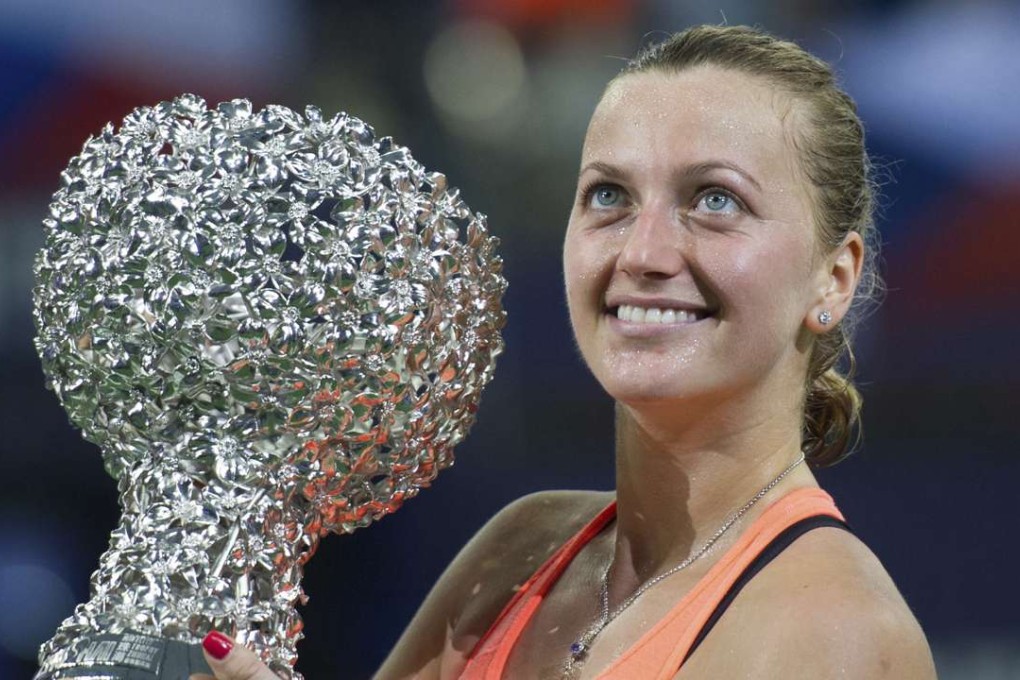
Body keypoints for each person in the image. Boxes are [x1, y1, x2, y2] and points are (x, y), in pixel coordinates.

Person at [192, 24, 936, 680]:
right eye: (609, 196)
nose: (643, 252)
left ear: (832, 278)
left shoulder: (836, 632)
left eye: (716, 200)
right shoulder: (521, 549)